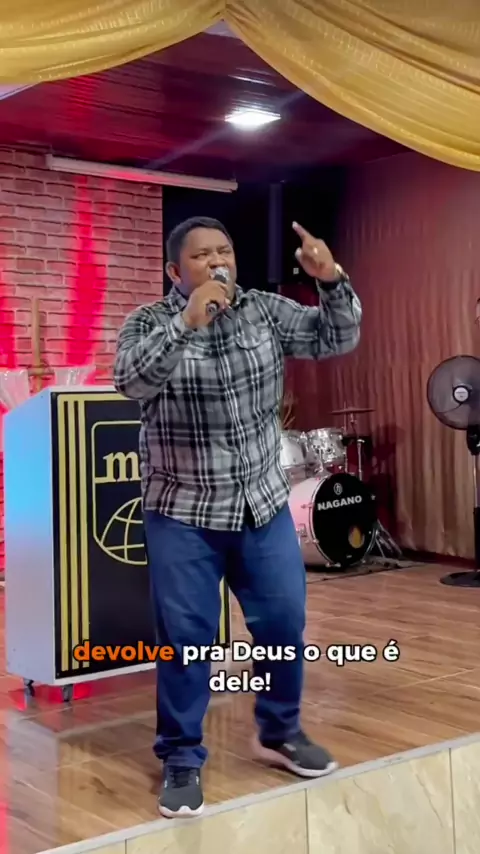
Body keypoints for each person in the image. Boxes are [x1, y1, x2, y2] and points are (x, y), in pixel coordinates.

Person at [113, 216, 362, 819]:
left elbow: (336, 337)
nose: (217, 261)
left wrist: (331, 279)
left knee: (283, 623)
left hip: (260, 504)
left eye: (223, 250)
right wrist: (187, 321)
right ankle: (181, 756)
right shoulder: (148, 322)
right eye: (202, 255)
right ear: (175, 271)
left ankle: (279, 731)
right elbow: (130, 381)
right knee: (187, 640)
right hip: (184, 509)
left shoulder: (263, 311)